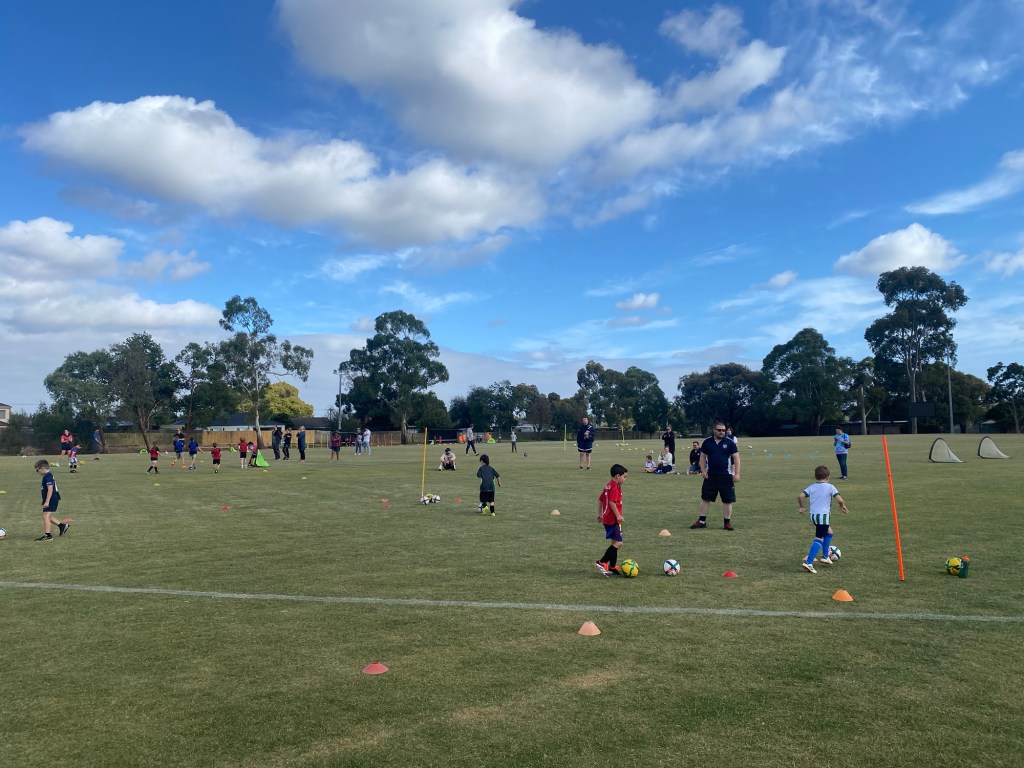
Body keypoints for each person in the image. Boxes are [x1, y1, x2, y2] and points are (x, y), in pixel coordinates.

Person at [798, 465, 849, 573]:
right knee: (819, 538)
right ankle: (808, 562)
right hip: (823, 517)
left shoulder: (812, 487)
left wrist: (802, 507)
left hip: (813, 516)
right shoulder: (830, 487)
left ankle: (825, 556)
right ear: (828, 477)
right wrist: (842, 506)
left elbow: (801, 496)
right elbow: (840, 500)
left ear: (816, 477)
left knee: (829, 532)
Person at [691, 422, 740, 531]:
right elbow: (702, 457)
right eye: (719, 430)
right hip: (711, 475)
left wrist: (736, 474)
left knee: (727, 500)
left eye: (723, 430)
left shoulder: (730, 442)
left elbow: (736, 458)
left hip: (726, 476)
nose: (722, 432)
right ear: (714, 430)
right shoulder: (707, 442)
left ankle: (727, 523)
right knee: (705, 498)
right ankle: (701, 521)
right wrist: (703, 470)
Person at [594, 464, 628, 576]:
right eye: (624, 477)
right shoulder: (614, 487)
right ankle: (601, 562)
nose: (625, 479)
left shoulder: (609, 485)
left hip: (607, 519)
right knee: (619, 542)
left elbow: (600, 499)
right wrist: (618, 515)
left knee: (614, 542)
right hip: (612, 519)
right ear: (618, 476)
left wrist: (600, 514)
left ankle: (612, 567)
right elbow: (611, 502)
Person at [34, 459, 70, 541]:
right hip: (51, 498)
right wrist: (44, 500)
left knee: (45, 516)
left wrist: (47, 501)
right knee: (47, 516)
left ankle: (48, 535)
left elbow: (50, 489)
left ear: (42, 468)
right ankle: (62, 526)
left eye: (37, 470)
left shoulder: (48, 476)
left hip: (52, 498)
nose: (37, 472)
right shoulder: (47, 475)